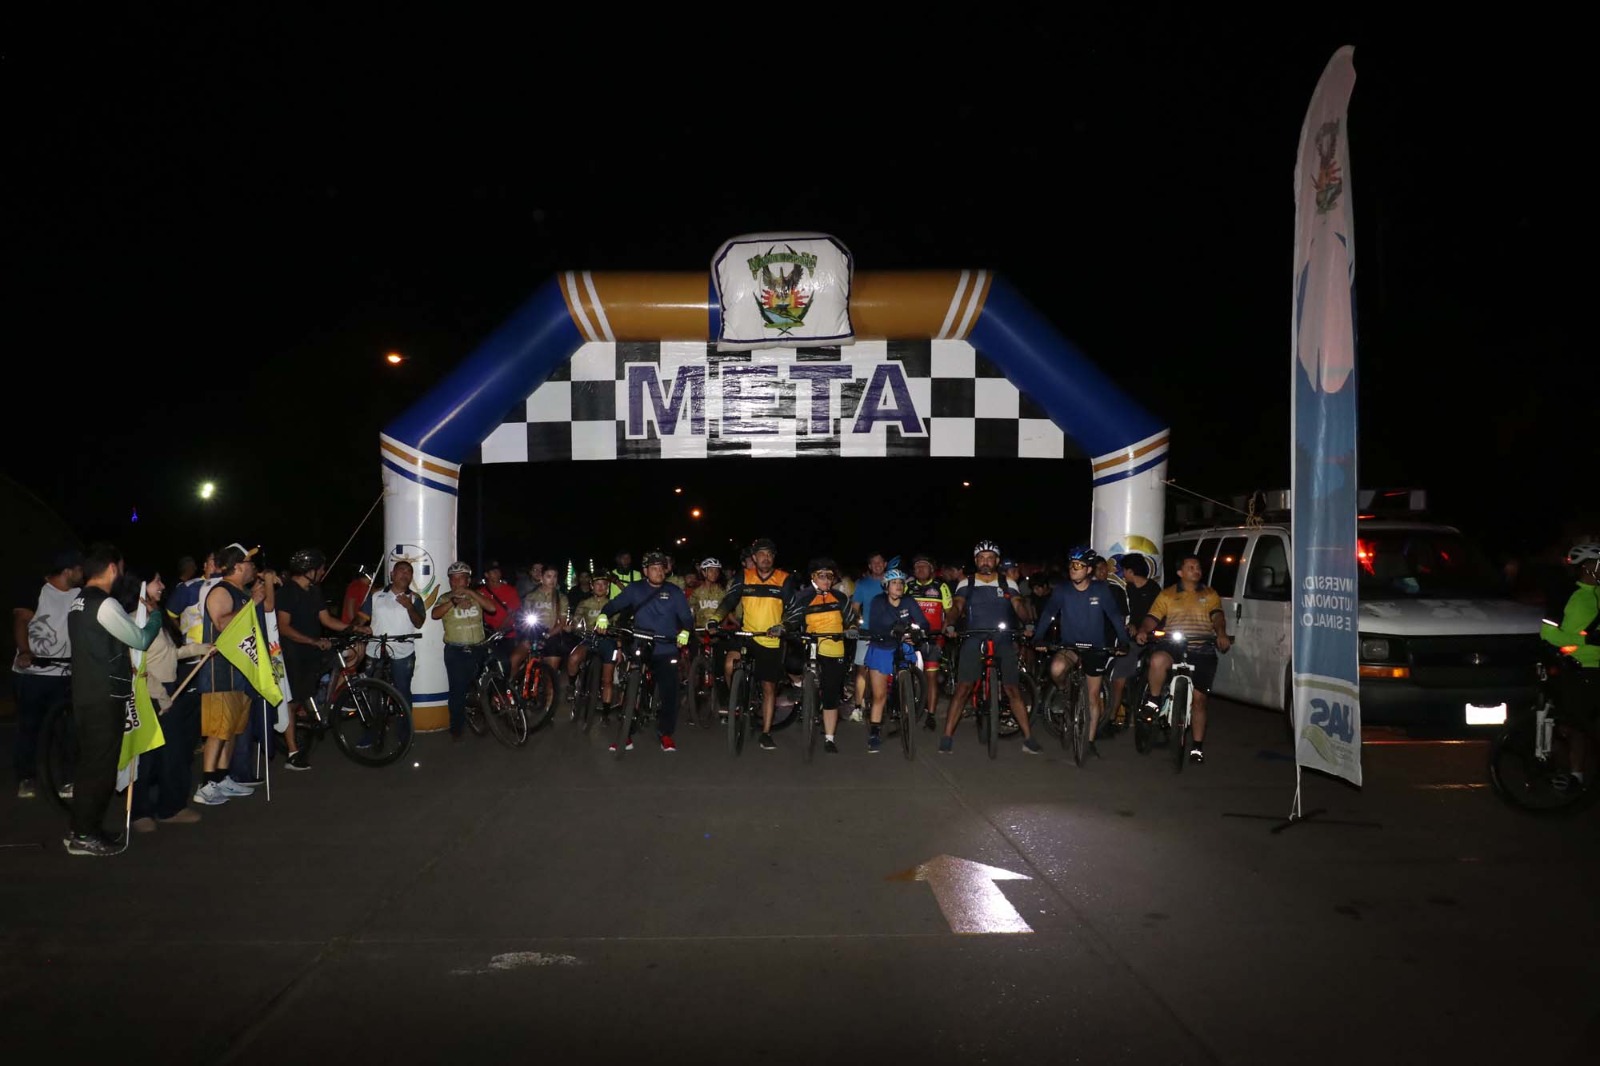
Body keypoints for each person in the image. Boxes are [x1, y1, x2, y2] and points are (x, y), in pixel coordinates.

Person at [63, 544, 164, 855]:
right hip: (105, 697)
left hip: (86, 694)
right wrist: (156, 616)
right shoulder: (104, 603)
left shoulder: (78, 601)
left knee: (90, 766)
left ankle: (83, 829)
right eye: (120, 568)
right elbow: (140, 639)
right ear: (111, 568)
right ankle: (84, 836)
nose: (121, 574)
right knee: (100, 770)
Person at [941, 539, 1041, 755]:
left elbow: (1018, 605)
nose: (985, 561)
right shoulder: (966, 583)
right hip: (974, 637)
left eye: (990, 558)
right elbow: (957, 606)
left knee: (1012, 689)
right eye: (981, 558)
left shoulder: (1008, 583)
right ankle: (947, 737)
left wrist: (1028, 622)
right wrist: (950, 623)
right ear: (976, 561)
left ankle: (1028, 738)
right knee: (963, 687)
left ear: (996, 561)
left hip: (1002, 638)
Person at [1032, 546, 1131, 758]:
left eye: (1078, 566)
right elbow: (1049, 613)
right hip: (1070, 646)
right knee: (1056, 668)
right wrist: (1038, 637)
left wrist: (1123, 641)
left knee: (1093, 696)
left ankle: (1091, 740)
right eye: (1071, 565)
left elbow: (1114, 616)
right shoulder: (1062, 590)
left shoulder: (1101, 590)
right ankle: (1062, 692)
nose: (1073, 569)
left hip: (1095, 647)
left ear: (1088, 570)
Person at [1135, 552, 1233, 765]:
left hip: (1202, 647)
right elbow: (1152, 618)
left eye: (1198, 567)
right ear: (1180, 572)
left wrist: (1221, 633)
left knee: (1199, 701)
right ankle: (1153, 700)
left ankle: (1197, 747)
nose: (1197, 570)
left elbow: (1218, 617)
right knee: (1157, 659)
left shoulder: (1210, 593)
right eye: (1191, 567)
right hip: (1173, 645)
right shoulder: (1168, 594)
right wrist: (1143, 630)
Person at [192, 544, 270, 806]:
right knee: (217, 729)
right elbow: (222, 624)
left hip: (240, 670)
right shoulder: (221, 590)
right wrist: (253, 604)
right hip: (220, 672)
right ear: (237, 567)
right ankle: (206, 784)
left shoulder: (242, 593)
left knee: (232, 729)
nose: (253, 568)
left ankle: (222, 777)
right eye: (249, 563)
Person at [595, 550, 692, 752]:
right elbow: (614, 605)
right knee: (631, 687)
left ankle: (666, 733)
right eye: (654, 568)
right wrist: (603, 615)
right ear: (645, 571)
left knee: (670, 690)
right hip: (640, 644)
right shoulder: (635, 589)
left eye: (661, 568)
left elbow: (686, 617)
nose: (659, 572)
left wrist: (685, 631)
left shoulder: (674, 592)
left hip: (666, 646)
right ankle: (625, 735)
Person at [275, 548, 364, 769]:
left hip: (314, 648)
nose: (323, 572)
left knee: (352, 652)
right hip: (293, 652)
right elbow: (283, 627)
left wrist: (354, 628)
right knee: (292, 702)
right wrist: (312, 641)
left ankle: (325, 704)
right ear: (309, 570)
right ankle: (293, 753)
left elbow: (326, 620)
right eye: (321, 569)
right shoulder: (287, 592)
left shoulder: (314, 590)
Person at [12, 549, 83, 799]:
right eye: (79, 569)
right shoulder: (38, 590)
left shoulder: (79, 594)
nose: (83, 574)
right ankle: (27, 778)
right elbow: (21, 621)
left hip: (65, 673)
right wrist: (25, 651)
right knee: (29, 727)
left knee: (68, 729)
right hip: (34, 673)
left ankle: (67, 780)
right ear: (68, 571)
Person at [716, 537, 797, 750]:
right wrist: (715, 618)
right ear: (754, 557)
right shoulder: (745, 576)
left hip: (771, 639)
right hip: (747, 635)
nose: (766, 558)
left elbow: (792, 608)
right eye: (761, 554)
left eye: (770, 554)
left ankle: (766, 733)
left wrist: (784, 626)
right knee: (729, 665)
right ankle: (737, 700)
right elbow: (730, 600)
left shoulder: (784, 578)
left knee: (769, 687)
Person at [1539, 543, 1600, 787]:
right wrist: (1586, 639)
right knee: (1574, 725)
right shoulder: (1566, 594)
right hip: (1578, 667)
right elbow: (1548, 634)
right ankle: (1573, 775)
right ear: (1587, 567)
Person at [780, 558, 852, 754]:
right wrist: (783, 627)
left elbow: (850, 620)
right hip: (810, 646)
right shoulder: (803, 596)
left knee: (830, 695)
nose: (826, 580)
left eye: (830, 576)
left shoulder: (840, 597)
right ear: (813, 577)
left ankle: (829, 738)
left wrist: (852, 628)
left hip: (834, 648)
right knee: (790, 662)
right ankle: (800, 688)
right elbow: (793, 618)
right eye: (822, 576)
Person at [863, 568, 933, 753]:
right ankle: (874, 732)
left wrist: (918, 633)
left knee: (909, 670)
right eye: (894, 583)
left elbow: (923, 622)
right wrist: (893, 630)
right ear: (886, 586)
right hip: (881, 646)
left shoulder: (908, 601)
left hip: (902, 645)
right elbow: (875, 625)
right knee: (879, 696)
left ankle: (907, 702)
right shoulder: (878, 601)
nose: (899, 586)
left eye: (901, 583)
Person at [430, 561, 499, 738]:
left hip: (479, 648)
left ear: (468, 580)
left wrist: (470, 593)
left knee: (489, 680)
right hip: (456, 651)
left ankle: (487, 712)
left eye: (461, 578)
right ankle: (457, 729)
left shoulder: (477, 596)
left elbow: (492, 608)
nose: (457, 582)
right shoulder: (445, 598)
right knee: (458, 691)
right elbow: (435, 614)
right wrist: (453, 602)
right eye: (453, 579)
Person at [355, 559, 426, 708]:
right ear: (392, 574)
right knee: (371, 689)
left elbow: (419, 623)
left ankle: (404, 722)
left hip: (403, 651)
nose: (405, 574)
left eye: (409, 572)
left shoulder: (415, 598)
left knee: (402, 691)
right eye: (401, 570)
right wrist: (354, 629)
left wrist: (409, 606)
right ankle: (372, 720)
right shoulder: (376, 595)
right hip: (375, 649)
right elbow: (360, 619)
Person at [1108, 553, 1159, 726]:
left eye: (1123, 570)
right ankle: (1112, 716)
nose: (1122, 574)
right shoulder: (1127, 589)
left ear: (1130, 571)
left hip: (1153, 637)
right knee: (1119, 674)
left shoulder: (1154, 589)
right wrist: (1131, 626)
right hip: (1133, 638)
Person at [906, 554, 952, 729]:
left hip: (933, 639)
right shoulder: (908, 587)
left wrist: (945, 630)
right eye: (917, 567)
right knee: (908, 675)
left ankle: (931, 715)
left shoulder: (941, 587)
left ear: (931, 569)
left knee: (931, 677)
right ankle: (908, 709)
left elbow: (949, 612)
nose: (920, 569)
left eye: (924, 566)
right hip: (912, 639)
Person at [848, 552, 889, 719]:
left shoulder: (892, 581)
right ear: (870, 566)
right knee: (861, 669)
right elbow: (855, 607)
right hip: (866, 631)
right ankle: (858, 706)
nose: (877, 565)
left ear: (885, 564)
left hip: (888, 631)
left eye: (880, 562)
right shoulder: (862, 584)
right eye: (874, 563)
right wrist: (854, 623)